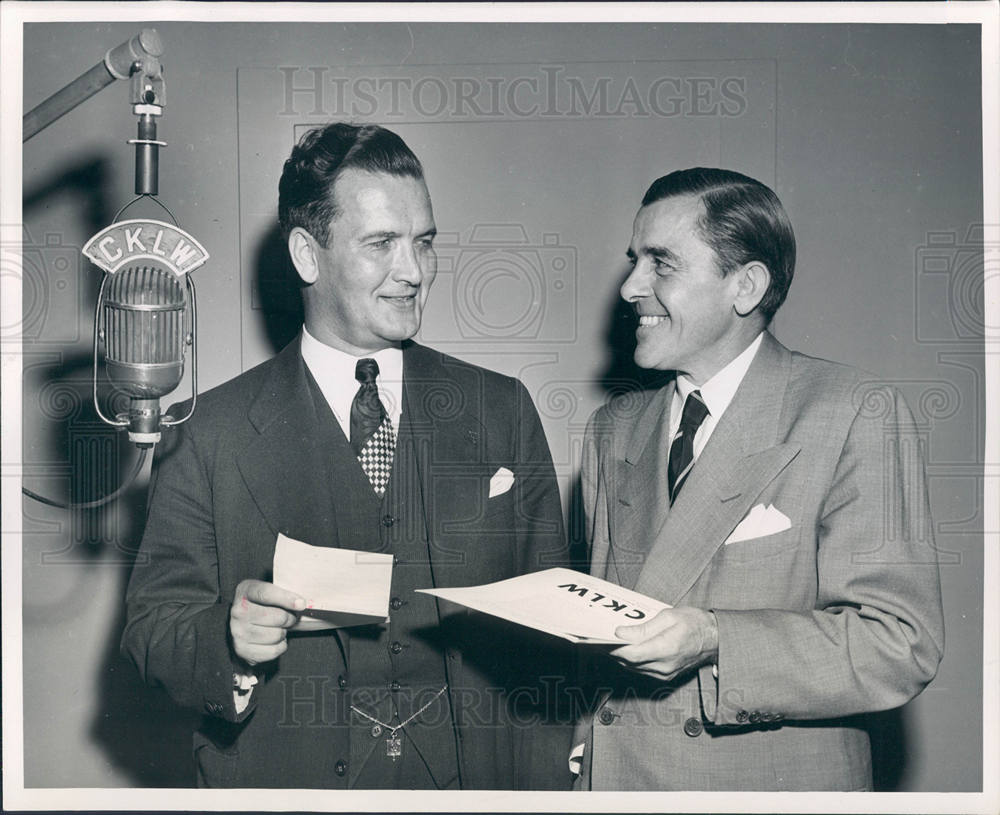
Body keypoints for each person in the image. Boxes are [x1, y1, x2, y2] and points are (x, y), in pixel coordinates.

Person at [122, 122, 572, 790]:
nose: (415, 271)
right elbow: (152, 629)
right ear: (308, 254)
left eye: (424, 242)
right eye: (382, 243)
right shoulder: (205, 431)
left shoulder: (500, 408)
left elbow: (554, 622)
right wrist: (230, 639)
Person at [571, 168, 944, 791]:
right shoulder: (613, 428)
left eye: (661, 264)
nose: (631, 286)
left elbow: (898, 644)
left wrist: (717, 639)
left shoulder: (851, 410)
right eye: (634, 260)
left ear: (746, 286)